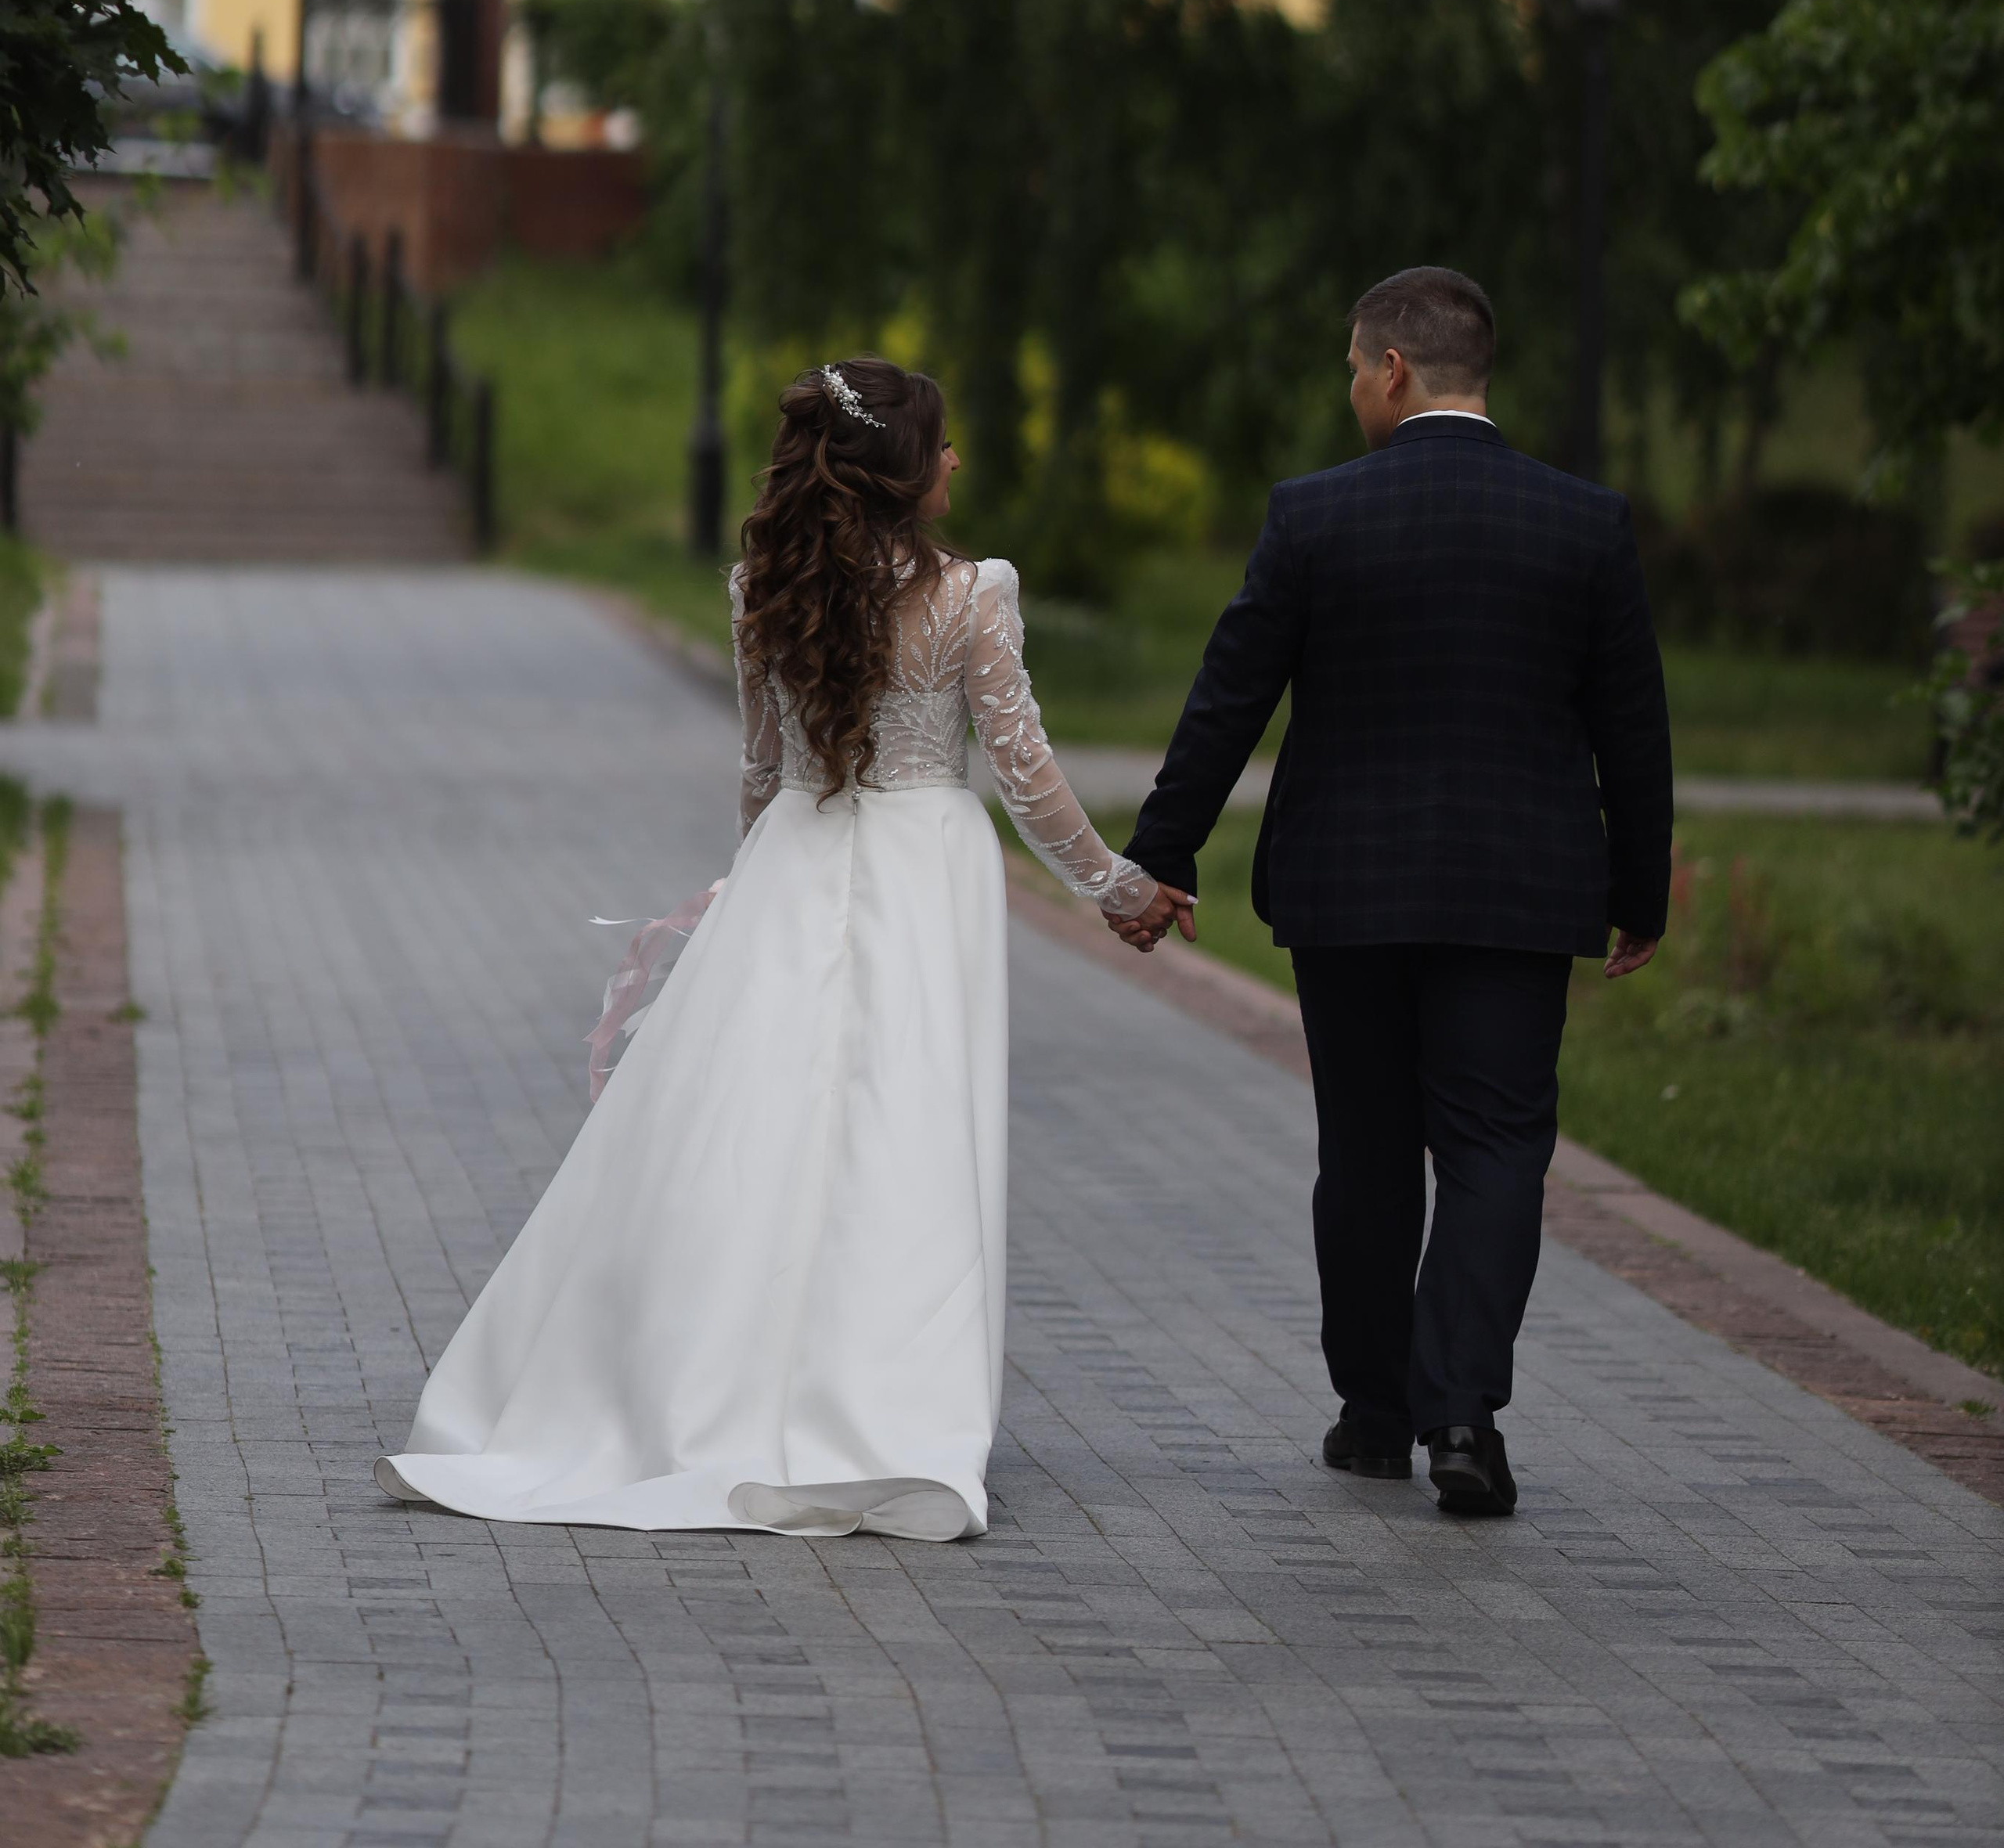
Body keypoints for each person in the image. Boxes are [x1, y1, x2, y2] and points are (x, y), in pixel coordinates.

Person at [377, 355, 1188, 1540]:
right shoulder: (971, 597)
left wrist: (749, 892)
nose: (956, 459)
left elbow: (762, 771)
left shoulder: (767, 583)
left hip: (795, 861)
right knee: (904, 1135)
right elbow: (1027, 779)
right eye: (941, 444)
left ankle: (706, 1384)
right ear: (901, 471)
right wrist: (1119, 889)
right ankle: (884, 1405)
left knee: (758, 1134)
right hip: (925, 871)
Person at [1122, 267, 1672, 1518]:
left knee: (1366, 1150)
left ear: (1391, 371)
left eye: (1351, 372)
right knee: (1495, 1148)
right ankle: (1463, 1414)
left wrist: (1164, 853)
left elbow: (1229, 698)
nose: (1351, 392)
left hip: (1349, 889)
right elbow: (1633, 729)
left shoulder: (1315, 514)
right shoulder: (1583, 521)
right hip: (1519, 894)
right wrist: (1639, 889)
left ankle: (1374, 1417)